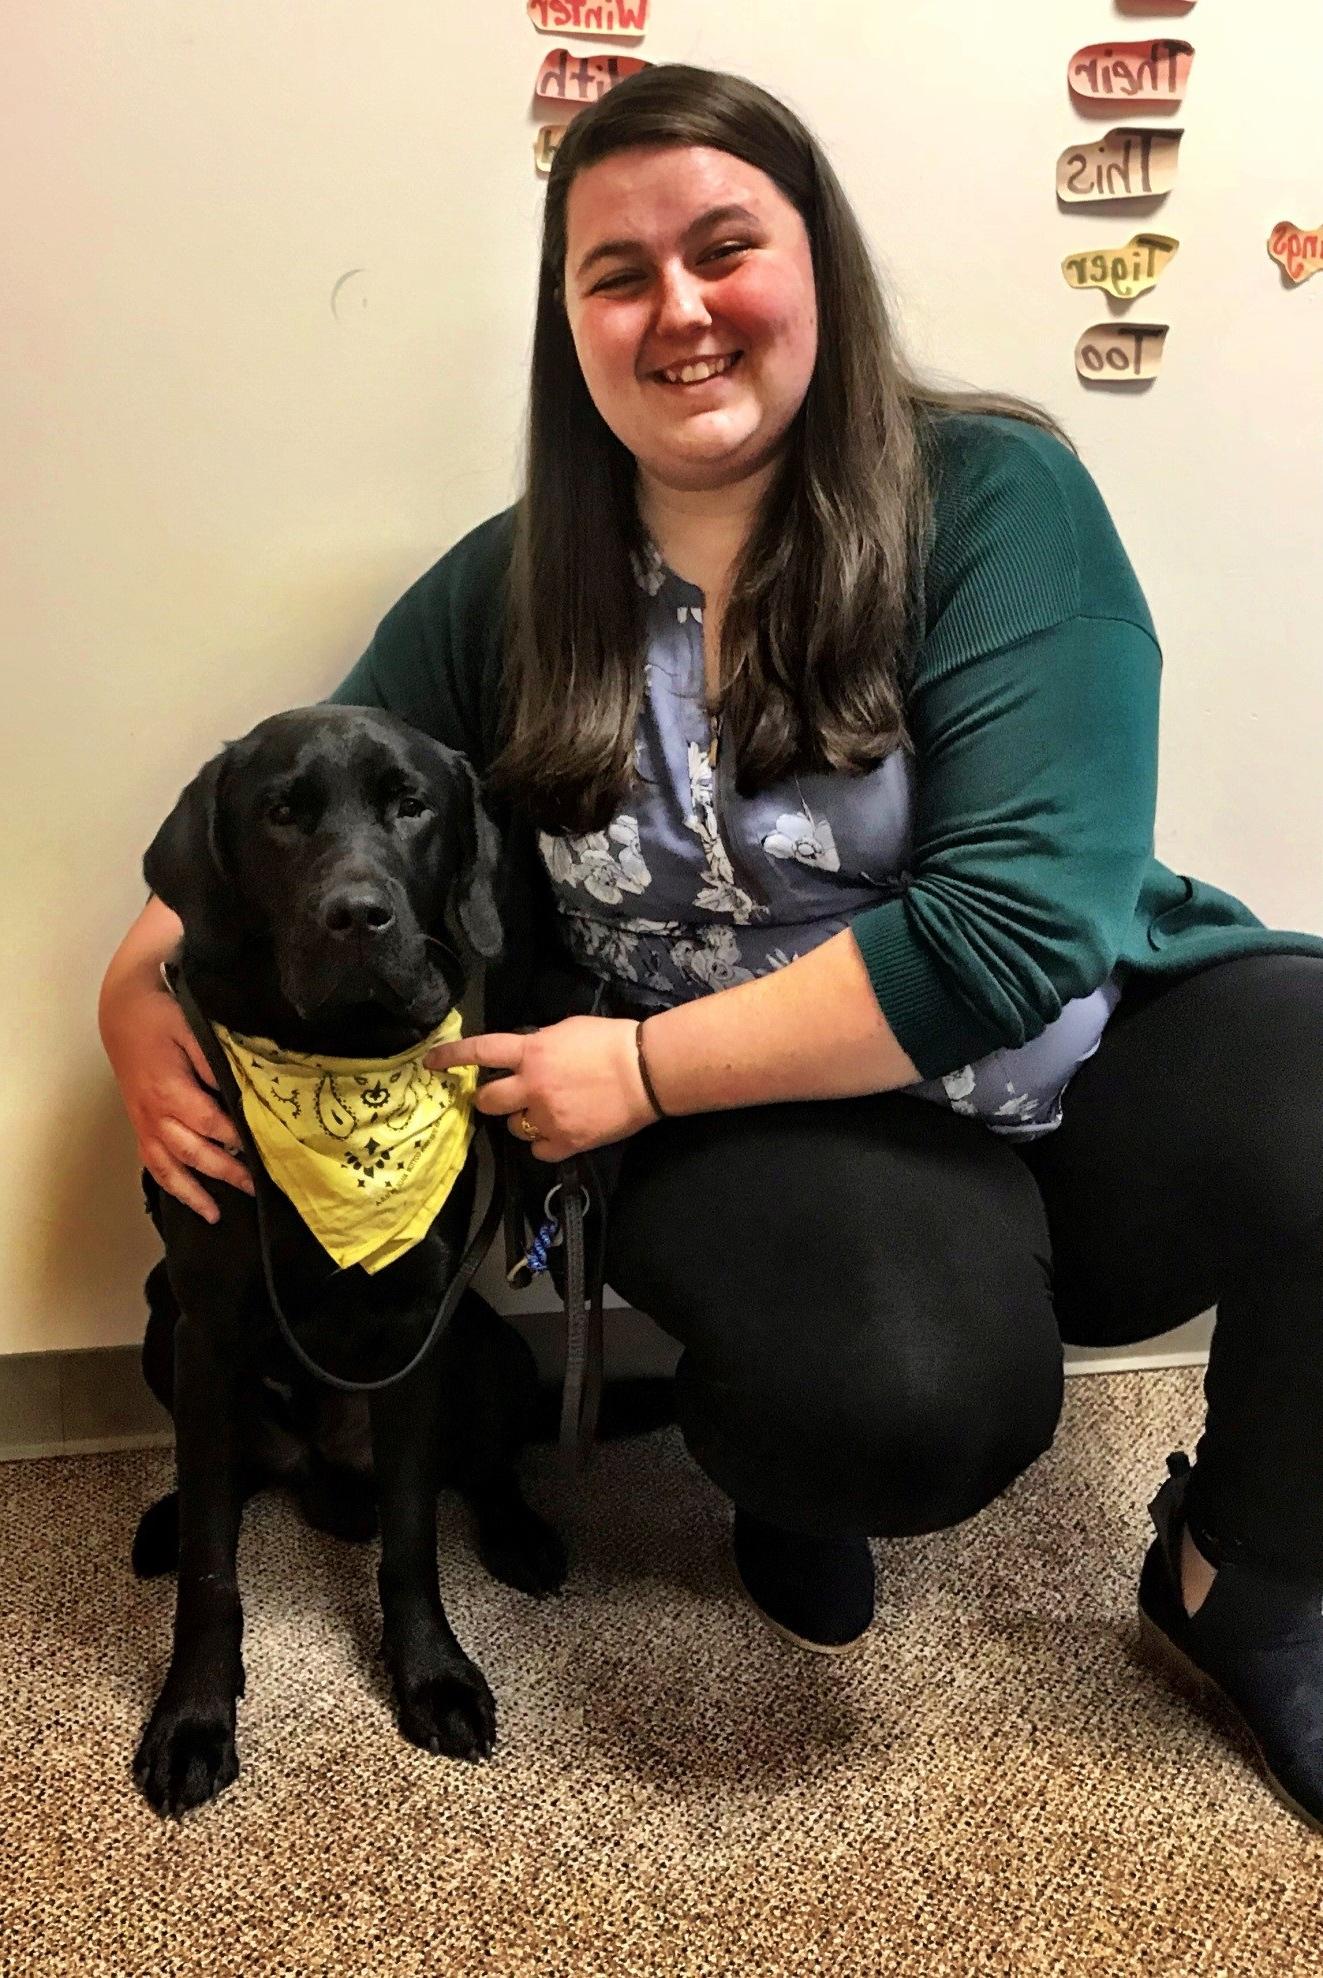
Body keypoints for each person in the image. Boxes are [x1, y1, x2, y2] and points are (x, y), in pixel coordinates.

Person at [100, 65, 1323, 1826]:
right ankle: (814, 1446)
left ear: (816, 261)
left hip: (1070, 1041)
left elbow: (1022, 926)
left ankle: (1252, 1577)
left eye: (724, 246)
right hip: (781, 1121)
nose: (676, 307)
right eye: (615, 273)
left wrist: (637, 1064)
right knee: (895, 1399)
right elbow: (273, 806)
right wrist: (126, 998)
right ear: (569, 326)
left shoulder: (992, 497)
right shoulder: (517, 584)